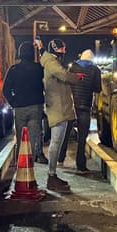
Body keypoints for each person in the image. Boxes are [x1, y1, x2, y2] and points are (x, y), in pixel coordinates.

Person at [37, 38, 83, 193]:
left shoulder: (50, 61)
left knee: (57, 142)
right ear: (56, 49)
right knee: (55, 143)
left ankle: (53, 175)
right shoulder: (51, 62)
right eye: (62, 49)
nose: (64, 51)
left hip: (61, 107)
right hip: (58, 107)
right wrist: (76, 78)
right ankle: (51, 176)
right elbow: (63, 75)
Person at [2, 42, 47, 164]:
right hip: (36, 108)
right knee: (33, 138)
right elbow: (47, 86)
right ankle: (29, 167)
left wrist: (14, 103)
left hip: (20, 108)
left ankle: (19, 165)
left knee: (21, 139)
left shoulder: (14, 69)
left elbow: (5, 90)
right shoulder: (39, 68)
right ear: (33, 54)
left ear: (20, 54)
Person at [61, 49, 102, 174]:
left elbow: (65, 82)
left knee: (66, 134)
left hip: (71, 105)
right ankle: (81, 165)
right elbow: (97, 89)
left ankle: (60, 158)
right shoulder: (95, 70)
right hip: (85, 106)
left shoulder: (72, 67)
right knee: (82, 137)